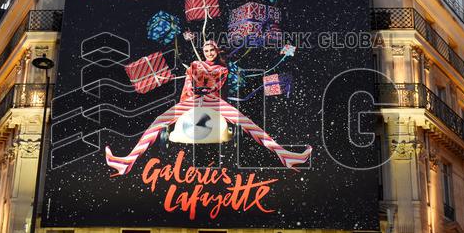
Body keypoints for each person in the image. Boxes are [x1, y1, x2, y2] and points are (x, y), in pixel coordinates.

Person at [105, 39, 311, 175]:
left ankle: (287, 157)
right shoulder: (195, 64)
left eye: (212, 49)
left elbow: (215, 88)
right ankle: (126, 162)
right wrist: (184, 101)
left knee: (250, 126)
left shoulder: (222, 70)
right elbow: (188, 86)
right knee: (157, 123)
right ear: (202, 52)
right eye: (206, 50)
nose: (209, 52)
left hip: (213, 101)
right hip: (191, 101)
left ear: (216, 51)